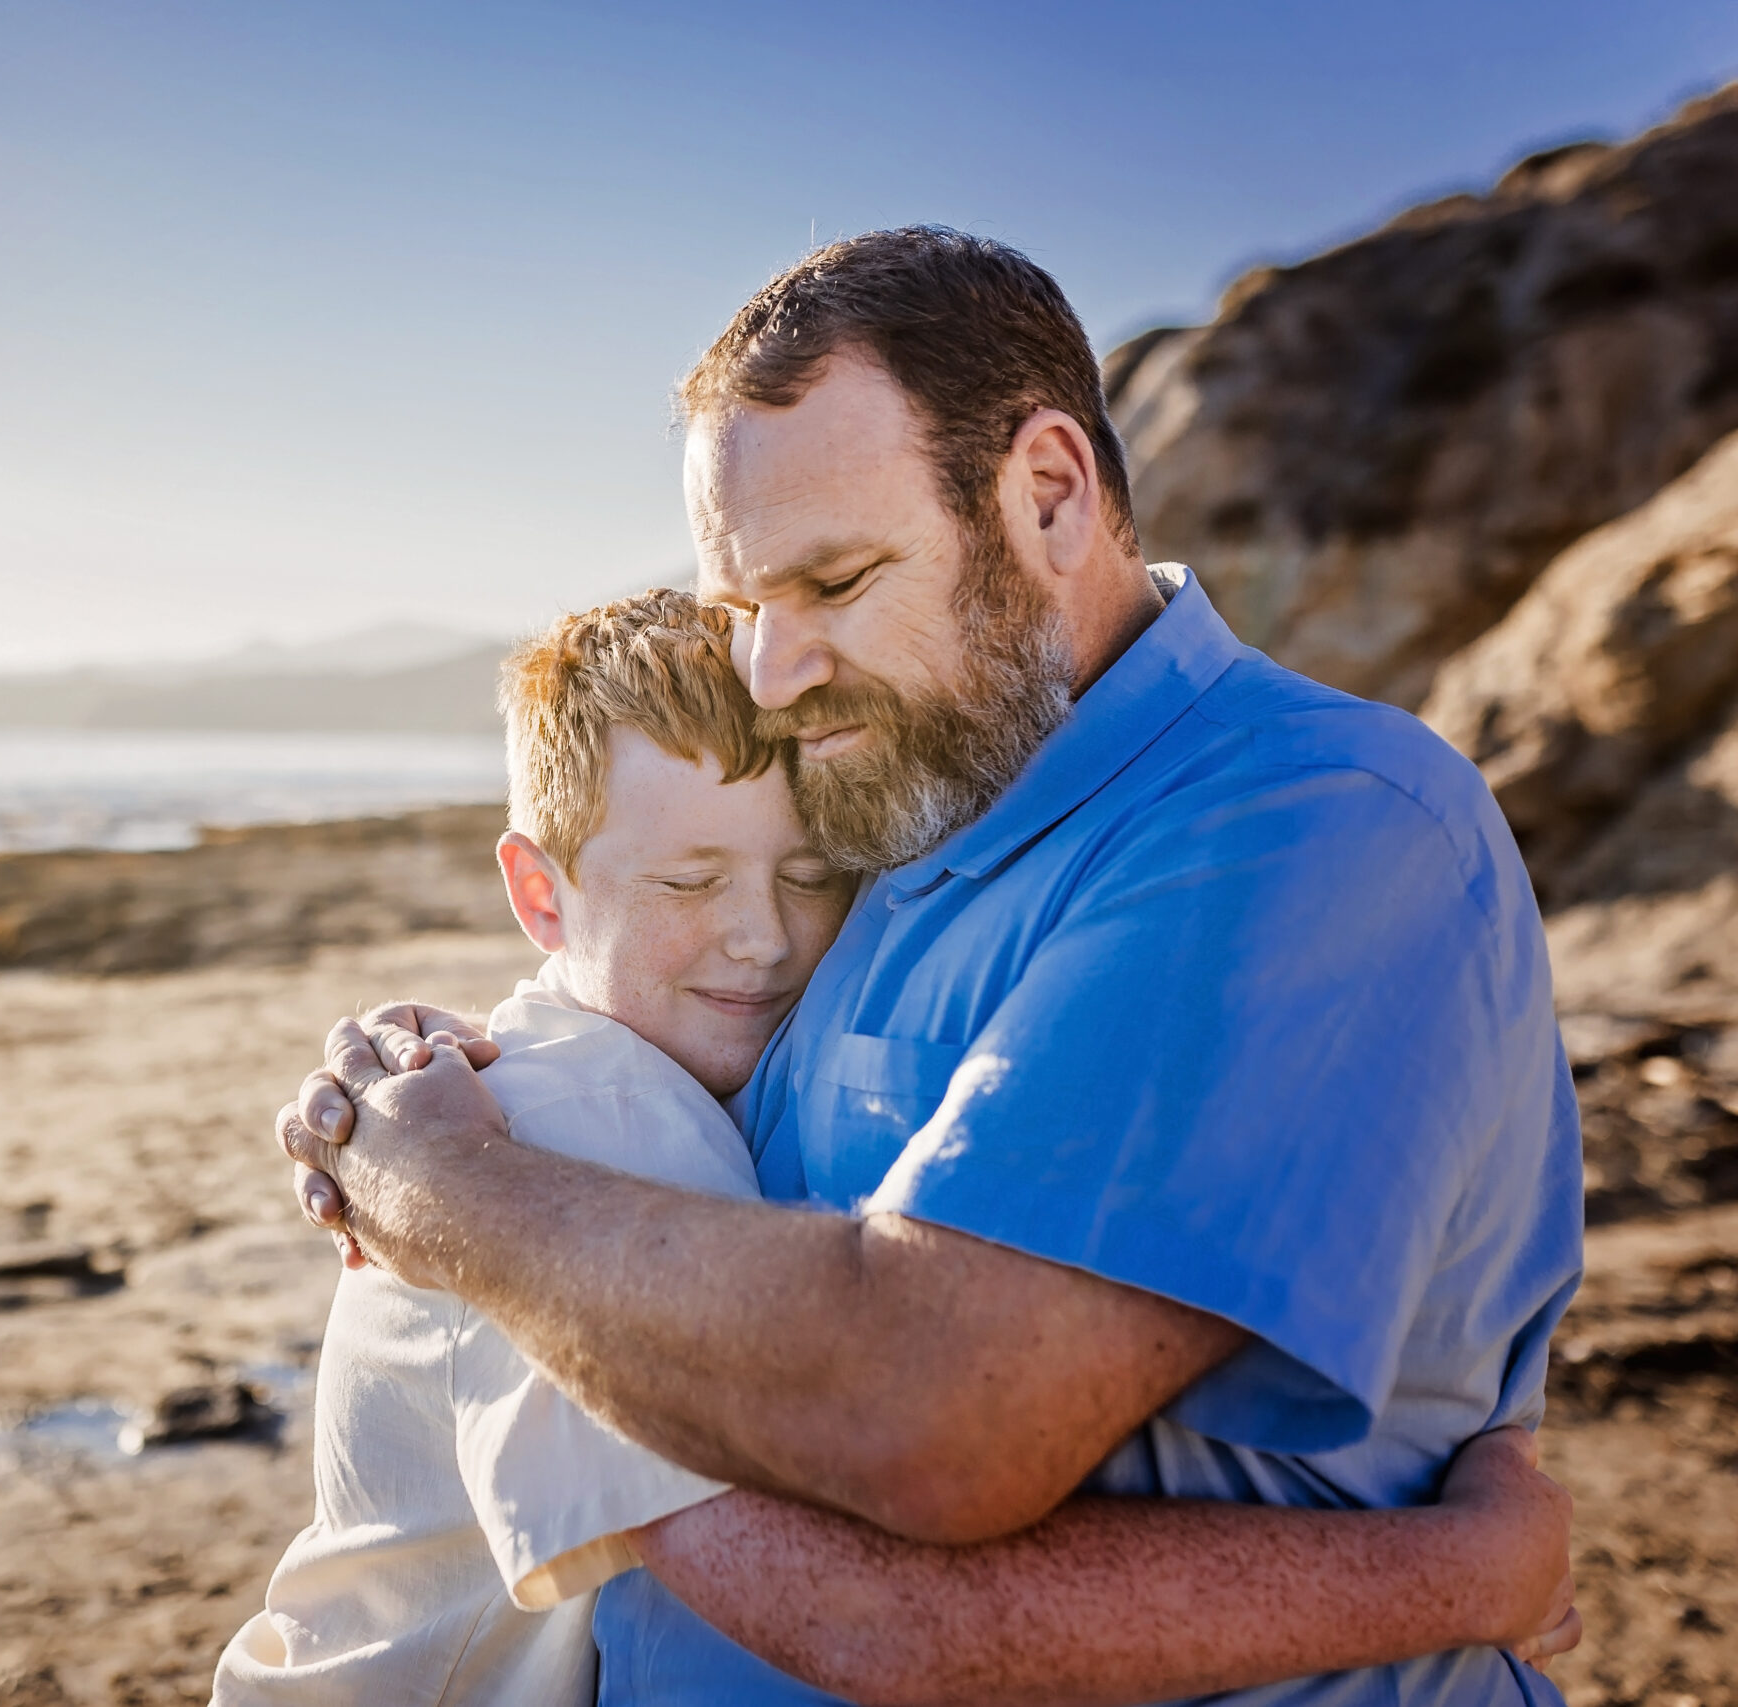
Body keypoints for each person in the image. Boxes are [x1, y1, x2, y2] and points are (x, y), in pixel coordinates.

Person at [276, 229, 1585, 1705]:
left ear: (1046, 496)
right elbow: (664, 1026)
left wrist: (447, 1191)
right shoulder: (898, 810)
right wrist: (463, 1060)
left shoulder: (1307, 819)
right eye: (742, 611)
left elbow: (934, 1419)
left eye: (832, 581)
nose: (774, 676)